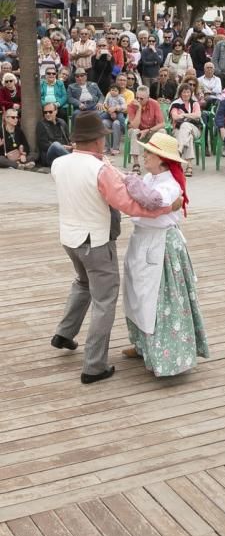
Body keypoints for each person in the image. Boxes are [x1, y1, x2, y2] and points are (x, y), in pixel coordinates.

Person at [50, 113, 182, 384]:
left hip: (69, 237)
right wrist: (170, 207)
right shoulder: (99, 170)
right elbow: (129, 205)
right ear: (98, 141)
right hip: (94, 241)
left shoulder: (59, 163)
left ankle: (64, 332)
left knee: (83, 283)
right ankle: (94, 366)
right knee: (104, 299)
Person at [120, 132, 209, 375]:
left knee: (161, 299)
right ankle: (143, 345)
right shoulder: (150, 177)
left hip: (161, 245)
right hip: (143, 240)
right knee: (138, 294)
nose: (144, 156)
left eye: (149, 152)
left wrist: (129, 180)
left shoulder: (169, 184)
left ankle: (168, 357)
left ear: (161, 158)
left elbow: (152, 201)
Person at [127, 86, 165, 173]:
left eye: (141, 98)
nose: (138, 100)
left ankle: (158, 161)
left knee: (162, 132)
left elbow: (162, 124)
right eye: (137, 98)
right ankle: (136, 164)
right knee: (134, 132)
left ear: (148, 98)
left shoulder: (154, 103)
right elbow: (135, 126)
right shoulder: (131, 105)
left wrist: (148, 130)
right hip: (137, 130)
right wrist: (139, 109)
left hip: (150, 130)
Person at [169, 83, 202, 177]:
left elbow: (198, 115)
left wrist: (183, 115)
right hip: (178, 130)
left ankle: (179, 150)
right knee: (189, 136)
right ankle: (189, 166)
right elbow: (175, 117)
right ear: (180, 93)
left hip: (195, 129)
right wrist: (190, 116)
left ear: (191, 93)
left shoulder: (195, 103)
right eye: (184, 92)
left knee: (186, 125)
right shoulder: (176, 104)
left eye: (188, 92)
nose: (186, 94)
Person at [36, 102, 72, 166]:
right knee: (55, 145)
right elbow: (43, 145)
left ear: (56, 111)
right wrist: (62, 147)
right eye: (45, 112)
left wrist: (72, 145)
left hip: (65, 152)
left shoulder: (62, 122)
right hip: (50, 155)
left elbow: (69, 138)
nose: (47, 114)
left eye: (50, 112)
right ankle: (74, 161)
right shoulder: (41, 124)